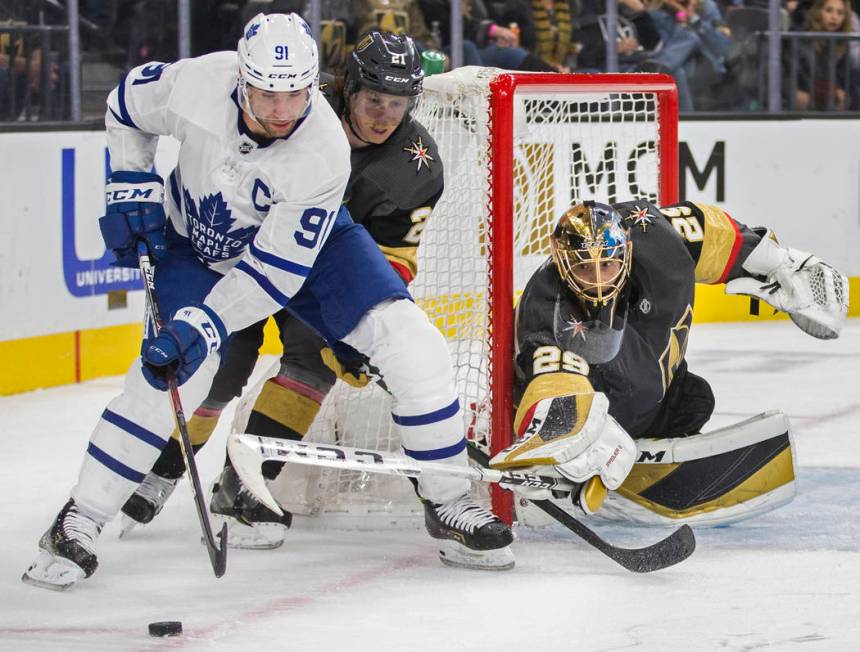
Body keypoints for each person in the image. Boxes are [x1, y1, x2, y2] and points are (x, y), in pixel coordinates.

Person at [22, 14, 513, 592]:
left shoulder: (323, 148)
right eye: (266, 94)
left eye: (296, 94)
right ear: (240, 79)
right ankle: (80, 517)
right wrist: (130, 180)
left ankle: (449, 498)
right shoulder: (195, 84)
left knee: (412, 343)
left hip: (307, 248)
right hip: (194, 247)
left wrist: (205, 323)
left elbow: (271, 275)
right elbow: (126, 104)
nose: (282, 111)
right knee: (179, 372)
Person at [120, 30, 446, 550]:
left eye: (397, 103)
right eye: (373, 99)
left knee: (311, 366)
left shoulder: (416, 163)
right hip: (240, 258)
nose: (384, 115)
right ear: (347, 88)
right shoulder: (293, 112)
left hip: (321, 275)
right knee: (219, 370)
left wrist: (357, 334)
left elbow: (394, 254)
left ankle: (245, 483)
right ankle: (163, 469)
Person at [488, 200, 847, 518]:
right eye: (584, 269)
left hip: (654, 392)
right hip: (605, 404)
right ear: (562, 261)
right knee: (585, 419)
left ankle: (639, 445)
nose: (597, 281)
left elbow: (707, 227)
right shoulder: (547, 306)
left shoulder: (654, 235)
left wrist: (777, 261)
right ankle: (595, 453)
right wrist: (567, 440)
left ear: (626, 251)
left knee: (694, 400)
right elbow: (551, 381)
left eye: (608, 265)